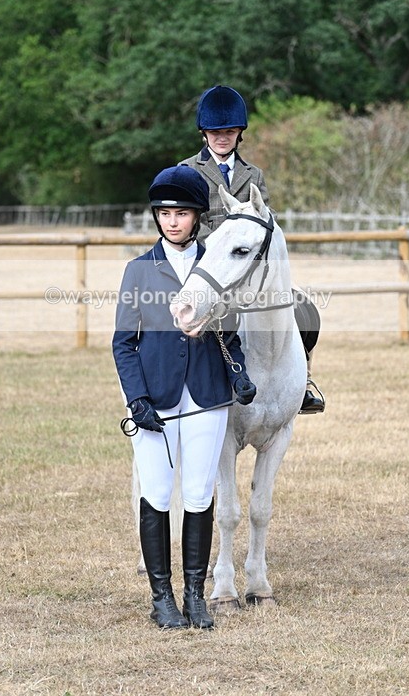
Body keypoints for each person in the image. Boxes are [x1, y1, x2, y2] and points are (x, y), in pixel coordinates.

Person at [112, 165, 257, 630]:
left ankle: (195, 595)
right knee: (155, 494)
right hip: (155, 398)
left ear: (198, 217)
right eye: (165, 213)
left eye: (182, 213)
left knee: (198, 494)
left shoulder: (215, 262)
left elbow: (231, 331)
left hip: (207, 395)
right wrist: (137, 400)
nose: (173, 222)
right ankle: (162, 598)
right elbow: (123, 342)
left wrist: (239, 371)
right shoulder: (138, 270)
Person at [178, 84, 325, 415]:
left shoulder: (253, 175)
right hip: (205, 267)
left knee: (302, 310)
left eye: (229, 132)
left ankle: (301, 384)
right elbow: (182, 224)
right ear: (204, 133)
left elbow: (265, 224)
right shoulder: (187, 171)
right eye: (215, 132)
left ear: (238, 133)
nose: (222, 138)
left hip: (248, 270)